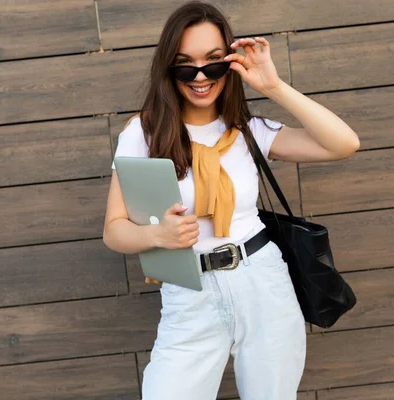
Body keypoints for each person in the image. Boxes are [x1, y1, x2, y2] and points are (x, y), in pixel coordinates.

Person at [102, 1, 359, 399]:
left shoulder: (249, 130)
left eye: (214, 62)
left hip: (263, 282)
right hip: (189, 292)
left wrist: (273, 86)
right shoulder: (144, 134)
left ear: (231, 64)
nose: (201, 76)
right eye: (185, 64)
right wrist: (158, 235)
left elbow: (344, 143)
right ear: (168, 69)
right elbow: (115, 232)